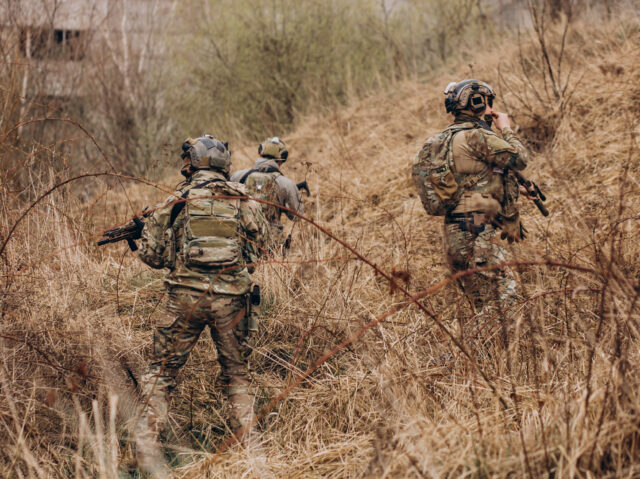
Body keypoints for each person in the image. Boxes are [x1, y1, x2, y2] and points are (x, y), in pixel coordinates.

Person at [134, 135, 270, 463]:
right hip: (232, 303)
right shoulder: (244, 200)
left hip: (182, 300)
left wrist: (150, 242)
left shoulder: (177, 199)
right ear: (224, 166)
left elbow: (152, 257)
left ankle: (145, 454)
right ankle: (252, 453)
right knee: (237, 374)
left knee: (162, 373)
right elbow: (264, 248)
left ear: (192, 163)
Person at [412, 79, 528, 317]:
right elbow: (520, 158)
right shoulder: (477, 137)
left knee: (484, 309)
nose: (490, 109)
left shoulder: (442, 141)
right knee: (506, 310)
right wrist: (505, 127)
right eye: (487, 103)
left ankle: (480, 353)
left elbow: (471, 180)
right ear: (476, 103)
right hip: (478, 237)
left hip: (455, 236)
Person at [231, 137, 304, 246]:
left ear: (260, 154)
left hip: (243, 240)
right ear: (281, 160)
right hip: (271, 244)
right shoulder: (286, 184)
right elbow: (297, 216)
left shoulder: (237, 176)